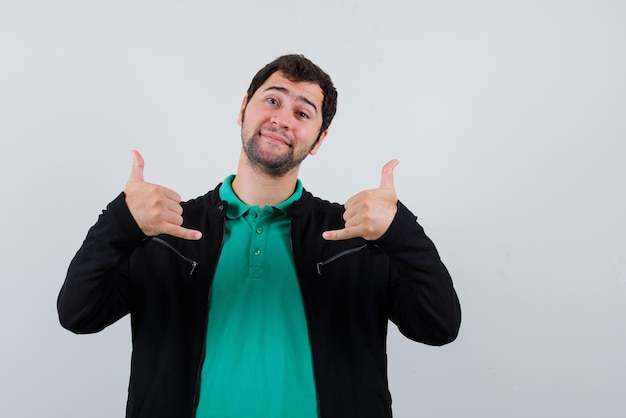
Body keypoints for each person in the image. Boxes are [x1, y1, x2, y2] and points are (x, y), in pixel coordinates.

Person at [58, 54, 461, 418]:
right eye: (272, 100)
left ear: (319, 140)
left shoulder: (356, 236)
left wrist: (400, 231)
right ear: (242, 110)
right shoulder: (165, 229)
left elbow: (438, 327)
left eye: (303, 113)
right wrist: (121, 222)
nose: (283, 119)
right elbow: (78, 314)